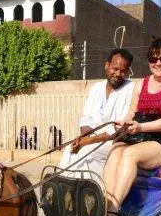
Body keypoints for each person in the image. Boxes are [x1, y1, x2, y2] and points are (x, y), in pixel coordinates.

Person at [103, 37, 161, 216]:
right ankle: (106, 204)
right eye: (153, 58)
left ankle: (112, 211)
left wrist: (141, 126)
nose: (158, 63)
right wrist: (123, 123)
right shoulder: (141, 84)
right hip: (146, 137)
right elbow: (132, 113)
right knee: (115, 150)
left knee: (130, 154)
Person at [58, 48, 135, 178]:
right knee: (68, 150)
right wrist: (83, 138)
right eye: (115, 69)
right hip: (90, 137)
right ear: (107, 66)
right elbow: (86, 119)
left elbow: (118, 128)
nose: (118, 73)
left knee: (87, 153)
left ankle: (95, 195)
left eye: (123, 71)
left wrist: (88, 141)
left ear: (127, 72)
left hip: (114, 142)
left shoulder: (131, 89)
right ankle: (67, 190)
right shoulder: (96, 88)